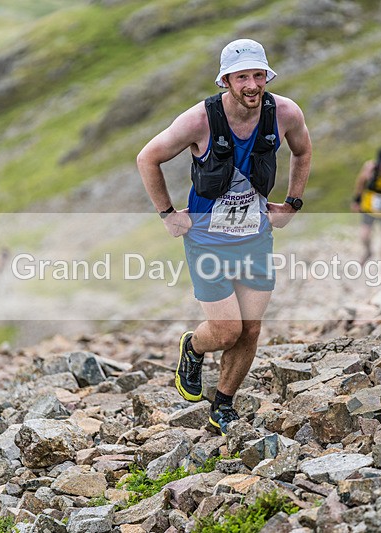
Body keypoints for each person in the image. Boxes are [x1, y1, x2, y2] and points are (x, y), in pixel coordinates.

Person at [137, 39, 312, 435]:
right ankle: (194, 347)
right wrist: (167, 214)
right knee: (227, 330)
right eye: (242, 77)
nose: (252, 85)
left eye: (258, 75)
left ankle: (223, 405)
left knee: (250, 328)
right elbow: (147, 157)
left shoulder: (284, 113)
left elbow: (302, 152)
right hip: (207, 240)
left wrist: (292, 204)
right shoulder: (199, 120)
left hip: (256, 237)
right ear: (225, 81)